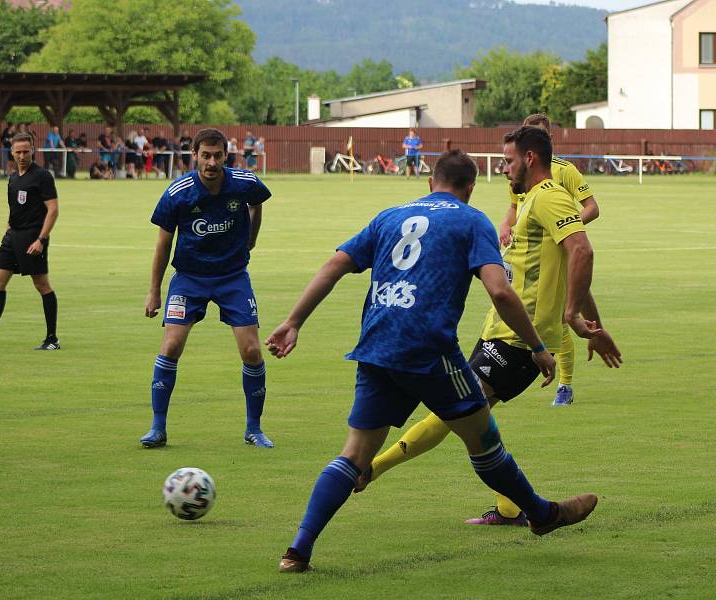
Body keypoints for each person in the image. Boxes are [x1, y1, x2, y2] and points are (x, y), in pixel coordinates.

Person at [266, 149, 599, 573]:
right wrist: (536, 346)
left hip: (376, 346)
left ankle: (297, 550)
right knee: (483, 438)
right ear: (470, 188)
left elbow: (335, 265)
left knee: (353, 455)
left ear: (429, 182)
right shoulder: (471, 220)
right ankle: (541, 514)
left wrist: (293, 322)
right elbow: (500, 291)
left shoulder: (389, 216)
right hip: (430, 351)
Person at [356, 126, 621, 528]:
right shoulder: (530, 200)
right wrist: (590, 320)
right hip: (501, 332)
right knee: (474, 419)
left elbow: (581, 249)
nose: (503, 167)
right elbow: (568, 262)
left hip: (519, 340)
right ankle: (516, 508)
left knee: (456, 412)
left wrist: (571, 316)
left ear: (530, 158)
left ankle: (370, 469)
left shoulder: (548, 197)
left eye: (509, 159)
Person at [140, 128, 274, 449]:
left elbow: (257, 203)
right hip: (189, 278)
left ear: (226, 155)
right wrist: (154, 291)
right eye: (205, 155)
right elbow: (162, 244)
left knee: (252, 351)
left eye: (217, 155)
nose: (211, 162)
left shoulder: (245, 182)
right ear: (195, 156)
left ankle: (253, 429)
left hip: (232, 276)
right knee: (171, 345)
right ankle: (158, 428)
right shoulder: (178, 193)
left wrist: (251, 239)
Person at [499, 113, 600, 406]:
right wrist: (507, 226)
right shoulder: (516, 171)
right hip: (531, 261)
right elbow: (514, 208)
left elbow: (592, 208)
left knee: (564, 318)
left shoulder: (564, 171)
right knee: (559, 320)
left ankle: (565, 385)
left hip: (561, 254)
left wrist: (564, 228)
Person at [0, 133, 60, 351]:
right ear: (12, 152)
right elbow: (14, 208)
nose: (22, 155)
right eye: (18, 151)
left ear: (33, 150)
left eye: (26, 151)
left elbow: (53, 210)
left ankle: (52, 338)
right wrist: (8, 232)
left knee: (41, 285)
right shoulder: (13, 178)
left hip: (33, 237)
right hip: (12, 237)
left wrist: (41, 240)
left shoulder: (42, 176)